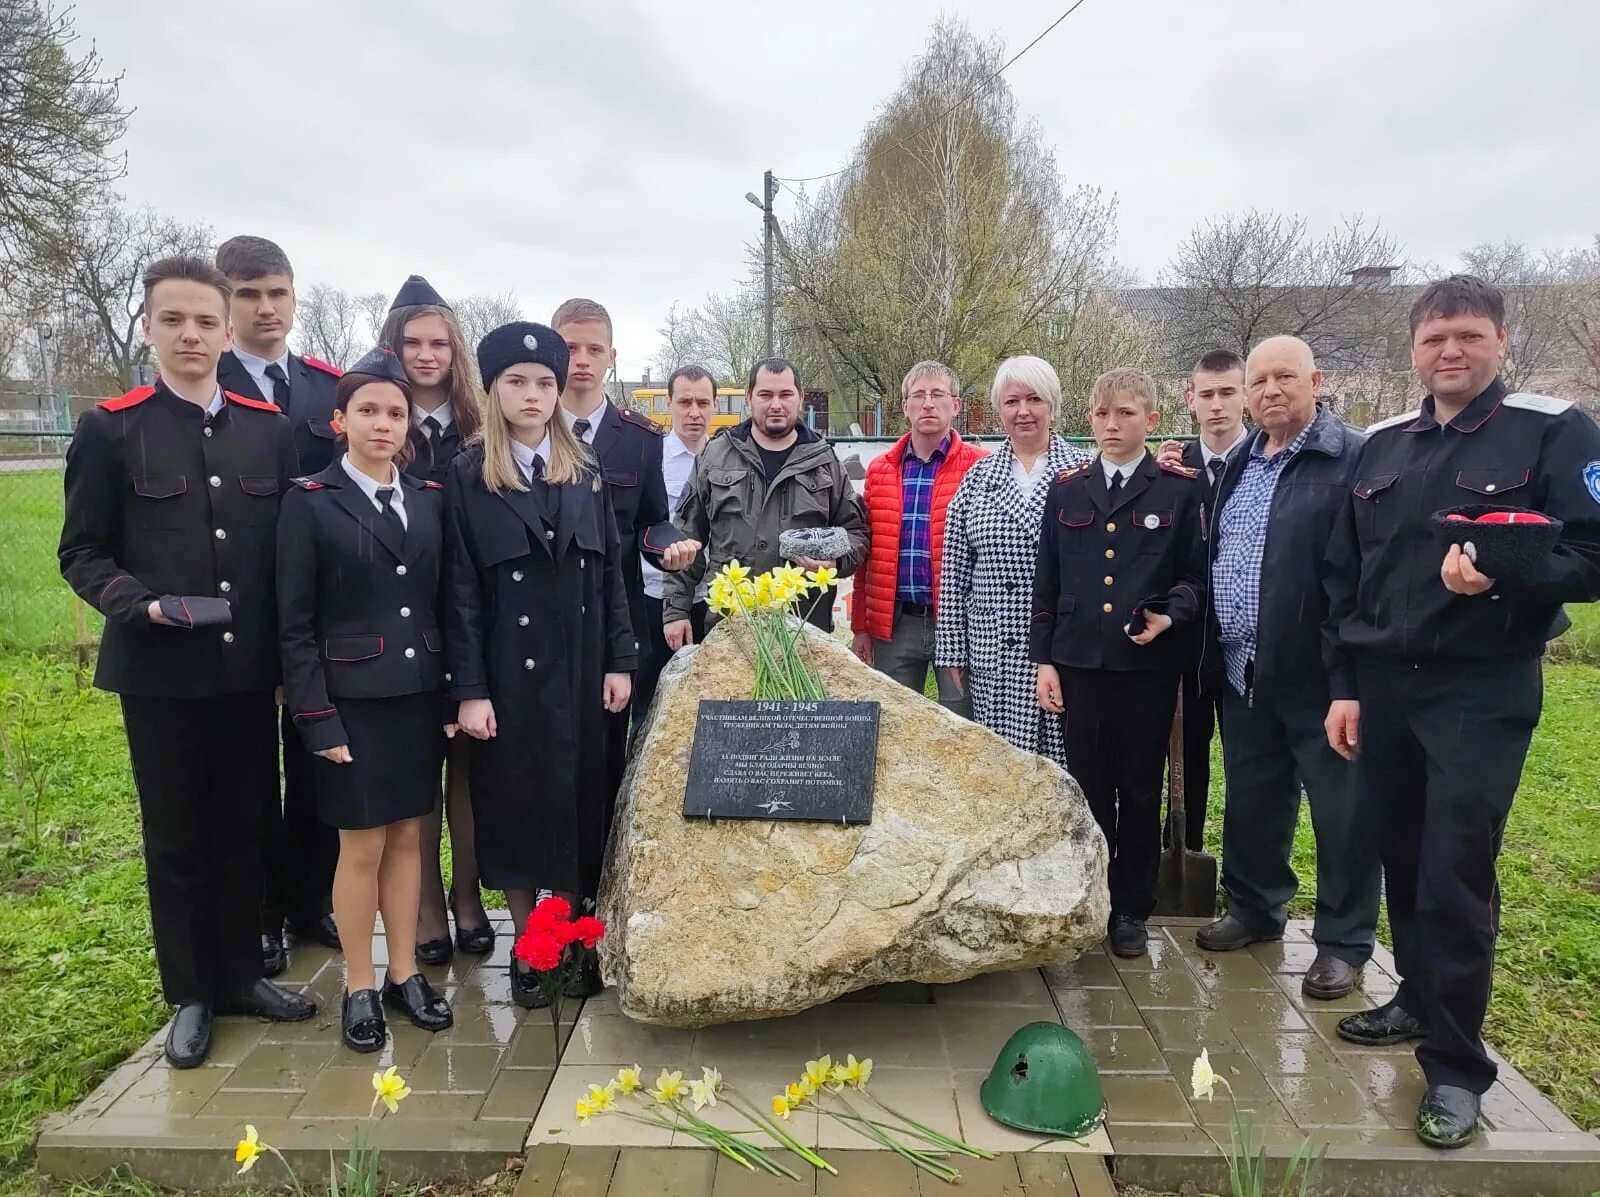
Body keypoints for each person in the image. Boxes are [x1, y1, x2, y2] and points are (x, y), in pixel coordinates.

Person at [1324, 275, 1600, 1148]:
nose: (1451, 351)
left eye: (1469, 336)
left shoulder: (1552, 430)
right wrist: (1344, 682)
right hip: (1386, 687)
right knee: (1401, 857)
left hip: (1479, 689)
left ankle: (1455, 1067)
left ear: (1501, 340)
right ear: (1415, 346)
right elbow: (1345, 574)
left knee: (1453, 870)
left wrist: (1507, 569)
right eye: (1437, 337)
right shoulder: (1383, 447)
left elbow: (1592, 554)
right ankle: (1414, 997)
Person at [59, 256, 314, 1068]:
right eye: (175, 320)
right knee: (175, 834)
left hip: (244, 671)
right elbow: (82, 551)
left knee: (248, 824)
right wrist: (142, 604)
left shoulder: (265, 428)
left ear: (226, 326)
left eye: (206, 320)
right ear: (150, 328)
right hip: (161, 673)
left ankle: (243, 974)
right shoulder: (113, 427)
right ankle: (193, 994)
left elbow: (284, 554)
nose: (193, 334)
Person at [443, 322, 635, 1006]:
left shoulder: (583, 471)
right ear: (493, 390)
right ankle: (530, 946)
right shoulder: (468, 477)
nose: (533, 395)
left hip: (580, 672)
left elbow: (611, 573)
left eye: (546, 383)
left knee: (578, 804)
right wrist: (468, 689)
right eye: (517, 382)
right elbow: (458, 590)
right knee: (517, 811)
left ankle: (575, 938)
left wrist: (620, 659)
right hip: (507, 679)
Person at [276, 345, 454, 1052]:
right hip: (349, 701)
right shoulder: (311, 501)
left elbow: (445, 602)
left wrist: (450, 692)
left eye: (396, 413)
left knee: (412, 834)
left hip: (416, 695)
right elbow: (294, 623)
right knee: (361, 845)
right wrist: (315, 716)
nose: (384, 424)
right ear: (340, 419)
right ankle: (357, 980)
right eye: (369, 411)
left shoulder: (431, 500)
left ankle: (404, 971)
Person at [1193, 336, 1379, 1002]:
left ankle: (1344, 941)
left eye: (1284, 377)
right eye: (1259, 379)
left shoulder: (1352, 456)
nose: (1270, 390)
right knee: (1253, 799)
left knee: (1343, 812)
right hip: (1246, 669)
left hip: (1321, 677)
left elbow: (1362, 576)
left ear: (1315, 380)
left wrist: (1347, 681)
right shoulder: (1243, 458)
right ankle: (1255, 907)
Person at [1031, 368, 1207, 958]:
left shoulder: (1179, 491)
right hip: (1079, 662)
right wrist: (1045, 661)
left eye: (1126, 414)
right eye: (1103, 414)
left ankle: (1132, 905)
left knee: (1137, 787)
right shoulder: (1068, 489)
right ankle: (1094, 896)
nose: (1112, 425)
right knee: (1088, 786)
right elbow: (1049, 583)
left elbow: (1194, 578)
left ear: (1151, 421)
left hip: (1145, 667)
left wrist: (1171, 615)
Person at [214, 235, 341, 973]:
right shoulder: (209, 382)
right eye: (250, 294)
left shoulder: (328, 389)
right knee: (253, 778)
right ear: (226, 302)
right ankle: (261, 913)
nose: (266, 308)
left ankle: (309, 897)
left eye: (278, 293)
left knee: (318, 761)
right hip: (237, 616)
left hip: (320, 617)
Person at [378, 275, 493, 966]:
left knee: (470, 777)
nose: (426, 356)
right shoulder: (378, 424)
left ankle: (469, 895)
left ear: (457, 353)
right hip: (405, 627)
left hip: (473, 622)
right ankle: (424, 905)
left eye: (439, 343)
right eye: (413, 342)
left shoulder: (481, 433)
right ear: (392, 347)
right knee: (419, 775)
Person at [551, 299, 697, 814]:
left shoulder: (639, 439)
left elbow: (651, 520)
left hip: (615, 615)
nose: (582, 360)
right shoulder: (528, 431)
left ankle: (597, 877)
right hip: (542, 614)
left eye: (594, 349)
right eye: (570, 348)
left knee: (608, 746)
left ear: (612, 355)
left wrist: (669, 548)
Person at [935, 355, 1092, 764]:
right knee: (1003, 769)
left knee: (1065, 768)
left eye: (1034, 399)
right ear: (998, 410)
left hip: (1062, 651)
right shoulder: (977, 478)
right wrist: (952, 649)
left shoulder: (1083, 474)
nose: (1023, 412)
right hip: (993, 651)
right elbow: (955, 572)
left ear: (1052, 405)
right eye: (1012, 402)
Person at [666, 357, 867, 644]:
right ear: (749, 398)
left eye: (785, 394)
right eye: (765, 394)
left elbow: (856, 532)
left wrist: (835, 563)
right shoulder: (715, 456)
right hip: (731, 625)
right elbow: (686, 539)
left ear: (799, 399)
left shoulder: (825, 462)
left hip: (804, 628)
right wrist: (676, 610)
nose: (776, 404)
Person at [1155, 350, 1252, 852]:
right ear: (1190, 400)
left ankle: (1245, 880)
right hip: (1187, 645)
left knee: (1249, 767)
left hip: (1247, 647)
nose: (1217, 405)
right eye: (1207, 394)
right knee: (1185, 758)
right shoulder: (1172, 471)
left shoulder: (1265, 462)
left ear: (1247, 396)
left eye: (1228, 392)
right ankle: (1183, 851)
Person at [850, 361, 985, 709]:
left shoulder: (980, 467)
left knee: (963, 725)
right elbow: (868, 555)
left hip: (958, 625)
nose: (928, 403)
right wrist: (861, 626)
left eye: (938, 394)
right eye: (919, 395)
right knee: (894, 723)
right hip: (896, 626)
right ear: (905, 406)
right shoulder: (881, 470)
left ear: (955, 405)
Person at [634, 364, 716, 721]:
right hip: (653, 598)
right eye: (684, 402)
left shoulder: (726, 458)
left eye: (702, 402)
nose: (694, 413)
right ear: (668, 403)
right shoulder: (650, 459)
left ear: (715, 406)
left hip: (711, 600)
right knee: (649, 706)